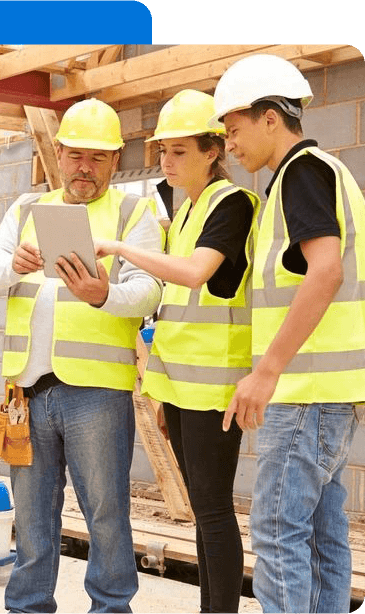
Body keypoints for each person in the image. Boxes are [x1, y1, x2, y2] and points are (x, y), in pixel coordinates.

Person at [0, 97, 163, 614]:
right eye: (76, 155)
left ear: (116, 160)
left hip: (97, 392)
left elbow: (150, 291)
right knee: (33, 514)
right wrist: (13, 263)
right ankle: (28, 605)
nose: (85, 167)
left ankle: (110, 607)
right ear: (57, 153)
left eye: (98, 158)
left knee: (106, 513)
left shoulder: (133, 212)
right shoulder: (26, 208)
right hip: (27, 391)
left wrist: (105, 295)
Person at [95, 89, 260, 614]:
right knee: (202, 510)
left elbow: (193, 275)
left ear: (214, 151)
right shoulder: (184, 209)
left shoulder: (232, 204)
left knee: (213, 512)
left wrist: (122, 247)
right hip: (182, 382)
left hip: (215, 383)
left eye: (180, 150)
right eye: (163, 150)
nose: (166, 161)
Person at [212, 53, 365, 614]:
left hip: (302, 394)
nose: (229, 145)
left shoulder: (303, 172)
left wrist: (267, 370)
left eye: (234, 130)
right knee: (323, 538)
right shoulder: (320, 175)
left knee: (277, 532)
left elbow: (326, 270)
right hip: (327, 394)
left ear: (270, 118)